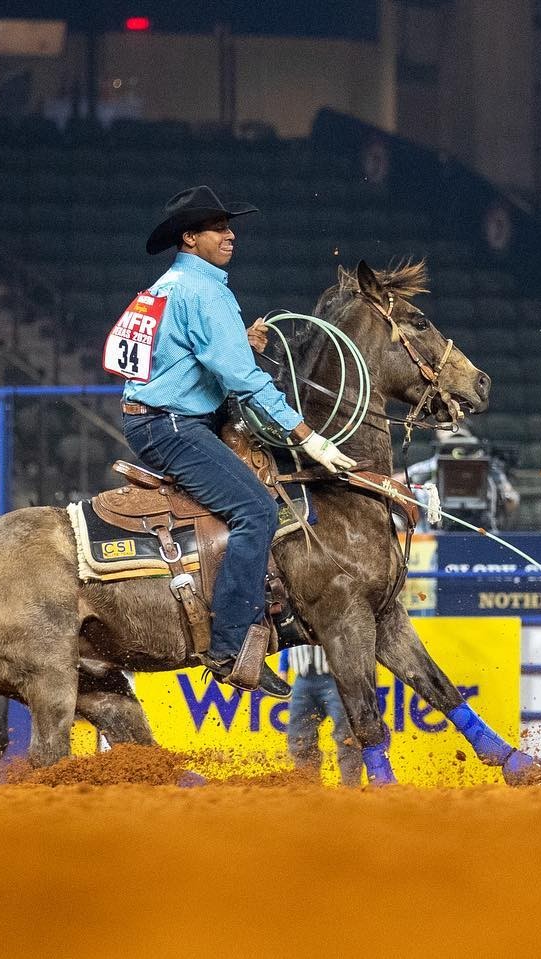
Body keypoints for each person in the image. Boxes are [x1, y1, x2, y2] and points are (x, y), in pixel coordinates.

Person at [113, 185, 356, 697]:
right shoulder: (204, 291)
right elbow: (244, 380)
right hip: (173, 425)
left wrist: (233, 344)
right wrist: (308, 437)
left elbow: (172, 357)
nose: (230, 235)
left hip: (158, 416)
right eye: (218, 229)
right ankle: (229, 647)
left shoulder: (168, 287)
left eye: (229, 226)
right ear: (190, 237)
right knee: (257, 511)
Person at [286, 644, 364, 786]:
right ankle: (308, 789)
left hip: (338, 677)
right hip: (303, 678)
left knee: (346, 735)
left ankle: (351, 789)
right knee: (299, 737)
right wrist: (283, 666)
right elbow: (287, 637)